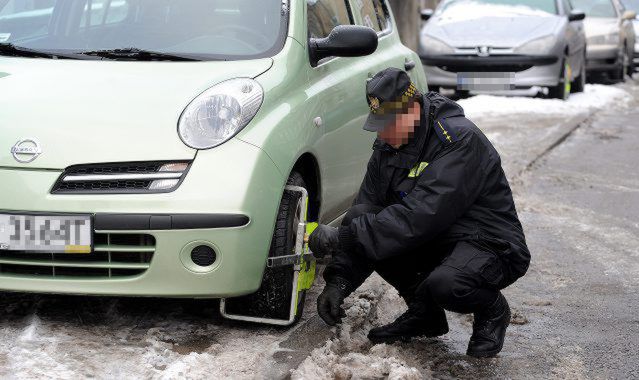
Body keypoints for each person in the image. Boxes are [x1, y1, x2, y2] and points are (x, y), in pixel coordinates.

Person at [308, 67, 530, 358]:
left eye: (389, 123)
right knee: (362, 215)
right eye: (378, 123)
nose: (383, 132)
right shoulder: (389, 145)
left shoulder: (458, 140)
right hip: (438, 237)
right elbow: (366, 213)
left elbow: (420, 216)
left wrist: (341, 238)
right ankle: (425, 314)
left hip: (489, 243)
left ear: (412, 110)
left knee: (448, 284)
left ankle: (492, 310)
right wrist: (339, 281)